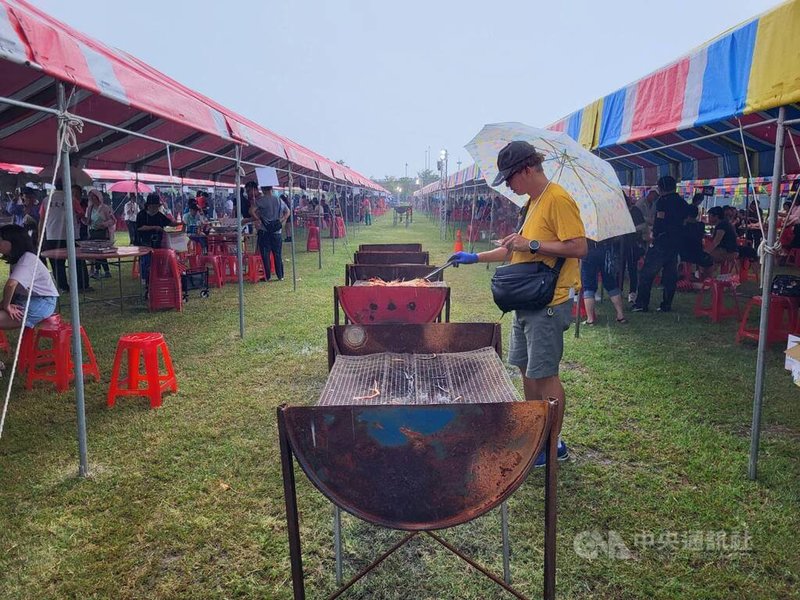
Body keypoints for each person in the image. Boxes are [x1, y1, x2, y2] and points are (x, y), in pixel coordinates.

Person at [448, 141, 587, 465]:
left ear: (526, 169)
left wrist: (533, 242)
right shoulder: (532, 203)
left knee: (545, 374)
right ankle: (534, 430)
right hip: (527, 299)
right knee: (525, 366)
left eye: (510, 178)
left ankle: (552, 445)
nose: (508, 185)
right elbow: (516, 250)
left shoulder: (558, 199)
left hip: (549, 301)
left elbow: (579, 247)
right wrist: (474, 257)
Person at [632, 176, 689, 313]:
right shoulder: (682, 202)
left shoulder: (662, 202)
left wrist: (655, 234)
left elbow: (659, 222)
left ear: (661, 188)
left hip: (662, 242)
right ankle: (666, 305)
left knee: (647, 274)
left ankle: (641, 304)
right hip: (676, 243)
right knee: (670, 276)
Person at [0, 224, 59, 330]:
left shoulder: (27, 259)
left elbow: (11, 284)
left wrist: (6, 305)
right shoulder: (17, 259)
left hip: (41, 302)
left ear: (13, 242)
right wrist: (7, 303)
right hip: (25, 299)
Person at [40, 182, 91, 292]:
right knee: (78, 261)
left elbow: (42, 219)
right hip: (71, 235)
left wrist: (40, 236)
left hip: (52, 235)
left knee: (57, 263)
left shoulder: (46, 200)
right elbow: (81, 214)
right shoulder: (72, 199)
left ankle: (63, 286)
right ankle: (82, 285)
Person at [248, 182, 290, 281]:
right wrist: (282, 219)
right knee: (277, 254)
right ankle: (280, 276)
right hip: (277, 231)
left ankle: (267, 276)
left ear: (262, 189)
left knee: (265, 254)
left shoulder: (260, 200)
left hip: (264, 231)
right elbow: (288, 211)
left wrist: (258, 218)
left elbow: (251, 211)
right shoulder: (279, 200)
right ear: (272, 188)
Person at [581, 238, 627, 324]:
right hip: (605, 249)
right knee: (611, 284)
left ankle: (590, 319)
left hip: (588, 250)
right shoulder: (607, 224)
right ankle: (620, 315)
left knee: (588, 286)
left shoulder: (585, 225)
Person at [136, 193, 174, 285]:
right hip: (144, 241)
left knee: (157, 260)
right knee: (146, 260)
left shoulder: (159, 215)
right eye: (153, 206)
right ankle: (145, 278)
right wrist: (154, 227)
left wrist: (179, 224)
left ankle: (156, 276)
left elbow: (169, 223)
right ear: (148, 206)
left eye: (157, 206)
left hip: (157, 242)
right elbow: (140, 227)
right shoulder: (141, 214)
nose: (155, 208)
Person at [622, 194, 647, 304]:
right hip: (620, 244)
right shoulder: (619, 211)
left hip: (633, 243)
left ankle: (632, 293)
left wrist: (631, 228)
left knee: (632, 269)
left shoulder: (635, 211)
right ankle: (619, 290)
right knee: (620, 269)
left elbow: (643, 225)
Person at [86, 189, 115, 279]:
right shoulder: (89, 209)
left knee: (101, 252)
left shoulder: (105, 208)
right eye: (90, 197)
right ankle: (99, 271)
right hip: (93, 232)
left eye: (94, 197)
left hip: (102, 233)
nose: (92, 199)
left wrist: (103, 224)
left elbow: (113, 220)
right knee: (95, 253)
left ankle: (104, 271)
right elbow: (87, 221)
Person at [705, 206, 738, 270]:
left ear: (716, 216)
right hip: (729, 250)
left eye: (710, 216)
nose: (708, 218)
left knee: (704, 256)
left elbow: (716, 242)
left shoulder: (722, 225)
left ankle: (705, 276)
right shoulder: (723, 224)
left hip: (728, 251)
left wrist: (706, 252)